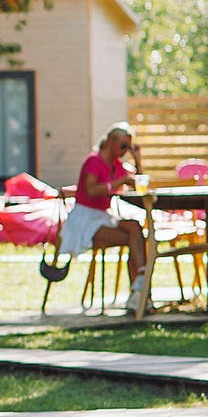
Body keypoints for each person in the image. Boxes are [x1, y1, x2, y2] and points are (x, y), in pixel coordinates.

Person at [64, 123, 150, 304]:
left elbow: (138, 183)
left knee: (134, 227)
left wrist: (137, 160)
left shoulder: (116, 165)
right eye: (123, 146)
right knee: (135, 239)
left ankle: (140, 283)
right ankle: (140, 289)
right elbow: (91, 190)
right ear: (110, 142)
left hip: (103, 216)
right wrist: (119, 182)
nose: (125, 151)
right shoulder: (94, 160)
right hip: (85, 218)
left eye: (128, 147)